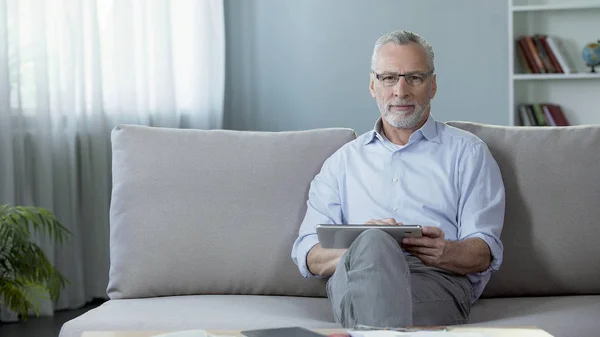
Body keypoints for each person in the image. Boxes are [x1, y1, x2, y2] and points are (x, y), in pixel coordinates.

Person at [291, 30, 505, 328]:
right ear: (372, 85)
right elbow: (308, 252)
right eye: (389, 78)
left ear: (433, 85)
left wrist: (446, 252)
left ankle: (369, 325)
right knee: (373, 243)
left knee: (369, 296)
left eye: (414, 78)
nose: (400, 91)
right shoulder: (341, 163)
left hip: (434, 279)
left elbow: (484, 250)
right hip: (353, 276)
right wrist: (362, 248)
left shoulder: (468, 154)